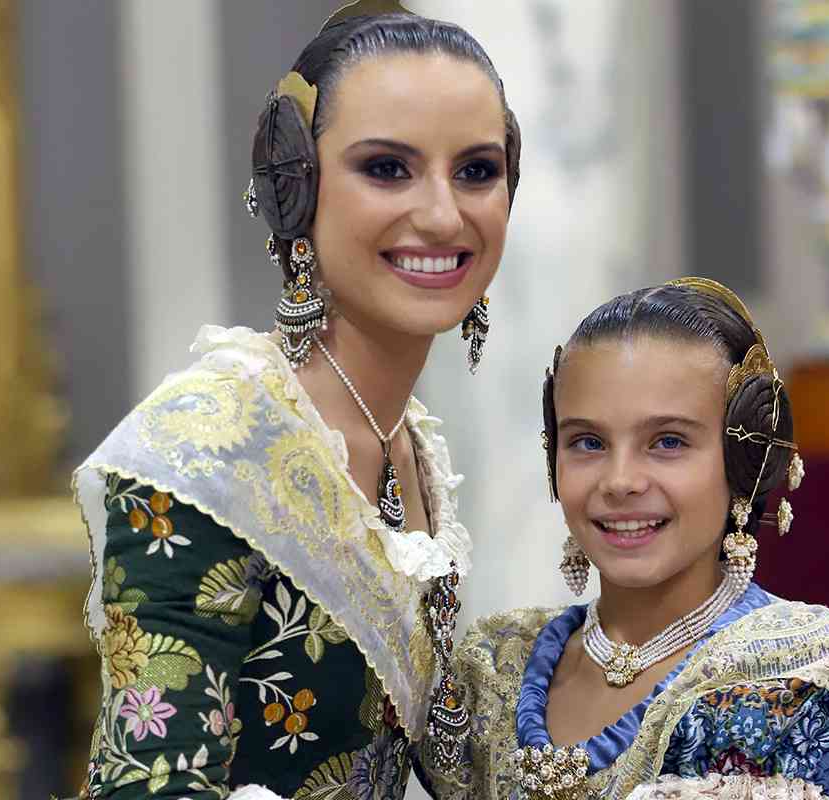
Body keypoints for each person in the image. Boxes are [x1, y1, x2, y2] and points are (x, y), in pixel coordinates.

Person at [70, 3, 521, 798]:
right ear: (294, 187)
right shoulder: (205, 449)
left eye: (477, 171)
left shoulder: (411, 445)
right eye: (388, 168)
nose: (443, 213)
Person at [423, 278, 829, 800]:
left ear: (746, 460)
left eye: (668, 441)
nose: (620, 481)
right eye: (588, 442)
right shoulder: (494, 668)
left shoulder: (787, 664)